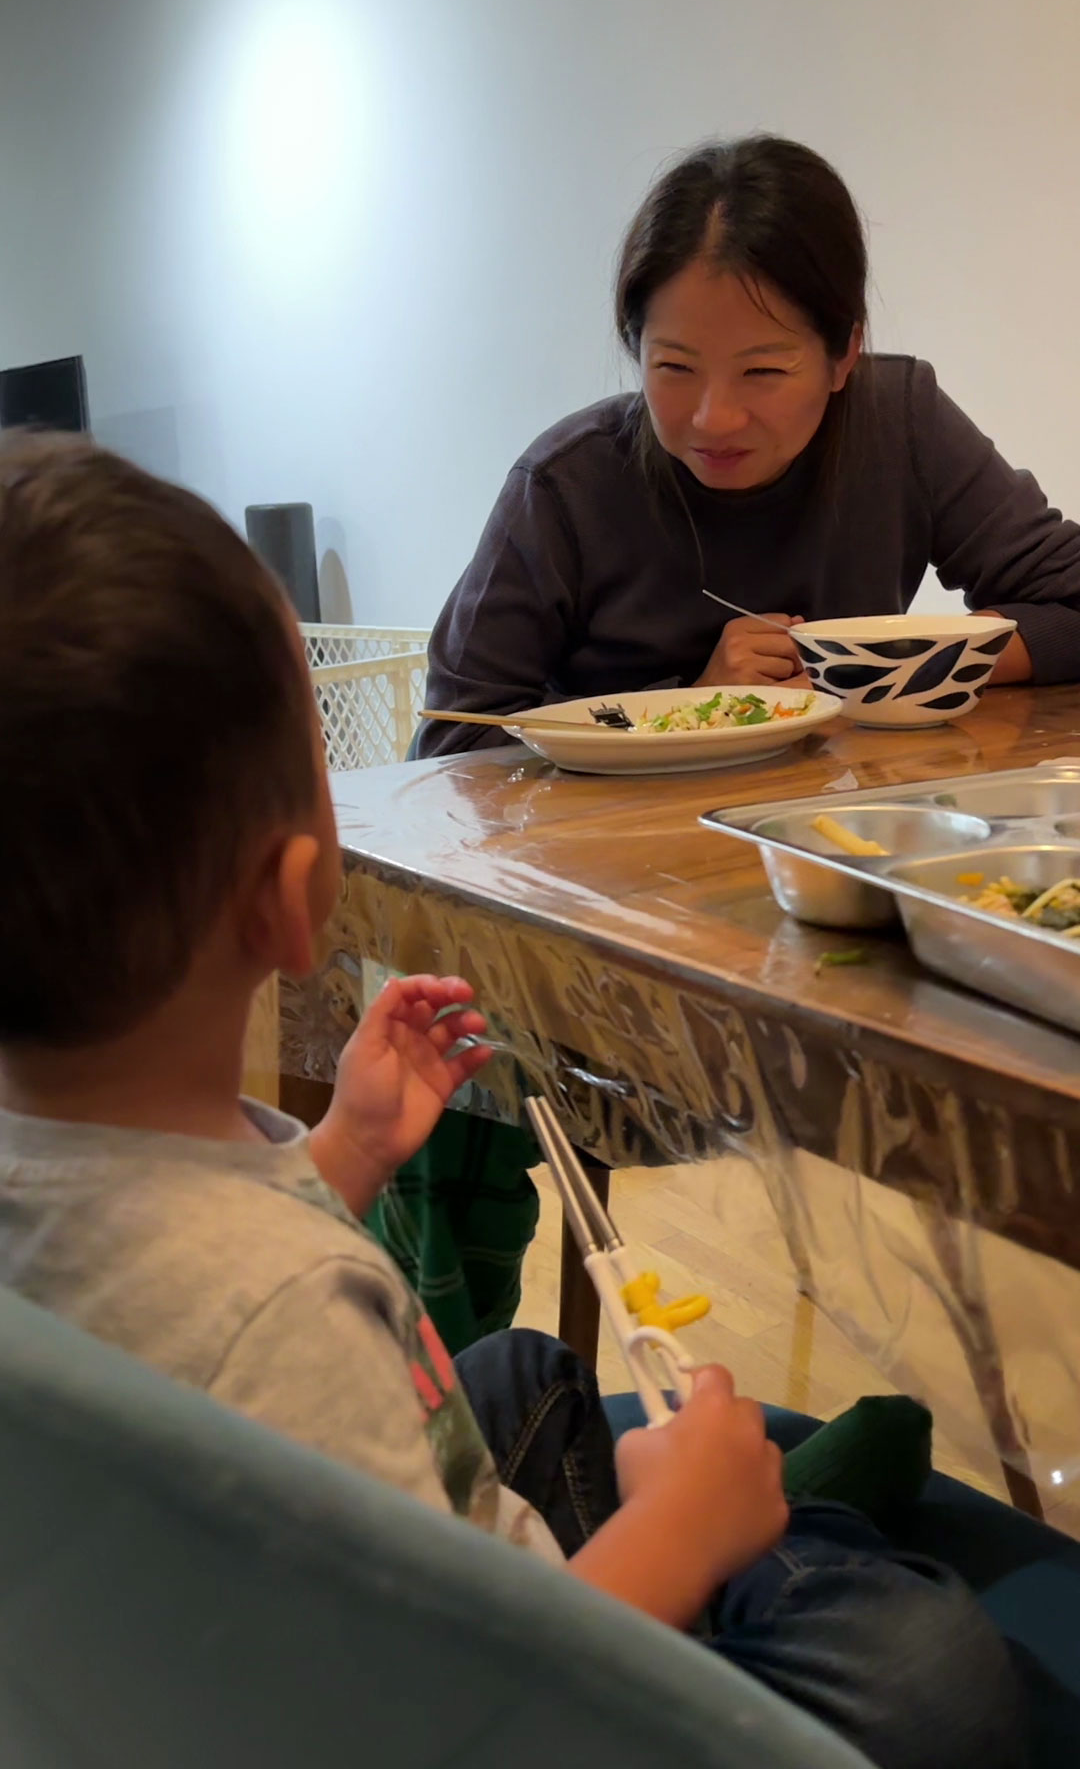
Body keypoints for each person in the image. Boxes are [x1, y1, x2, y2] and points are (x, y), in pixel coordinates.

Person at [0, 432, 1023, 1769]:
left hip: (281, 1582)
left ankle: (764, 1523)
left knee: (521, 1373)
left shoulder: (85, 1181)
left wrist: (346, 1154)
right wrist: (675, 1539)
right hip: (511, 1686)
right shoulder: (285, 1322)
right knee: (934, 1680)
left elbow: (180, 1292)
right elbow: (434, 1721)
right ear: (292, 894)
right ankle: (784, 1535)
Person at [418, 134, 1080, 758]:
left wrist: (878, 668)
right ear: (635, 347)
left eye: (763, 371)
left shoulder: (899, 423)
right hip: (620, 864)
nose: (714, 420)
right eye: (674, 368)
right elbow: (454, 742)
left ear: (844, 355)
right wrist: (693, 709)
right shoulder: (566, 486)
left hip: (839, 833)